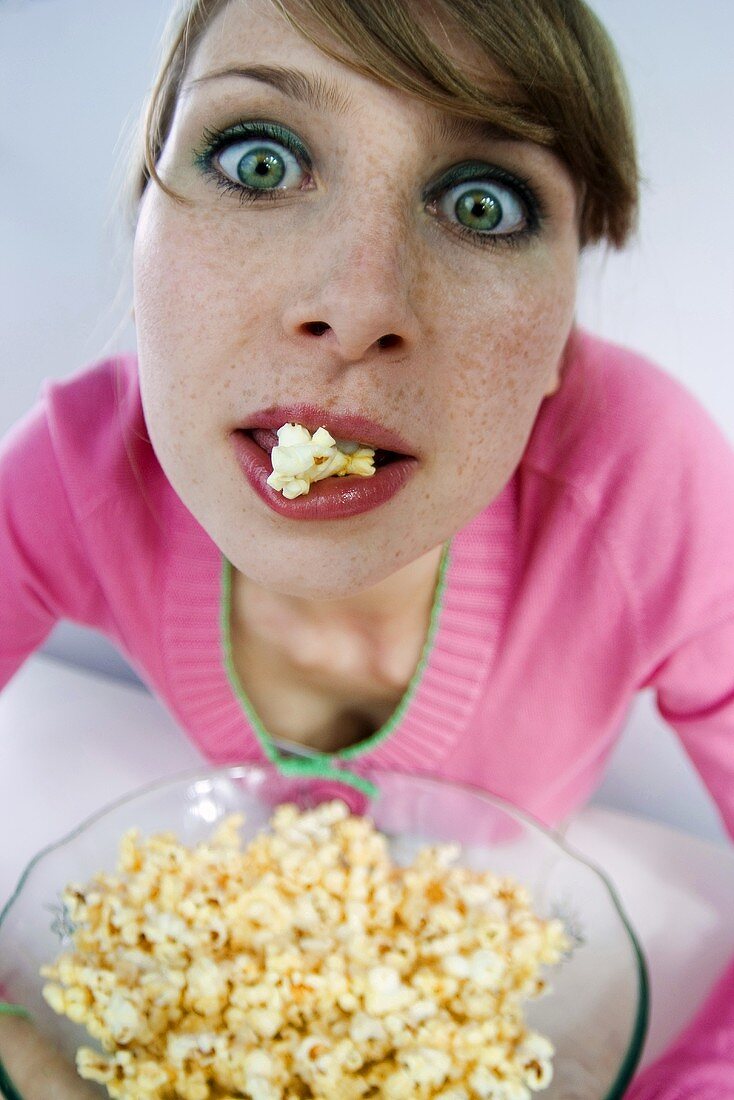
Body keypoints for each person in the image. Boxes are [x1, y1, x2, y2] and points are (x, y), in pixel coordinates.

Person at [1, 0, 733, 1095]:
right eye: (256, 161)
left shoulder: (645, 489)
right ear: (141, 224)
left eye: (481, 204)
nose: (355, 306)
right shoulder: (77, 471)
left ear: (563, 328)